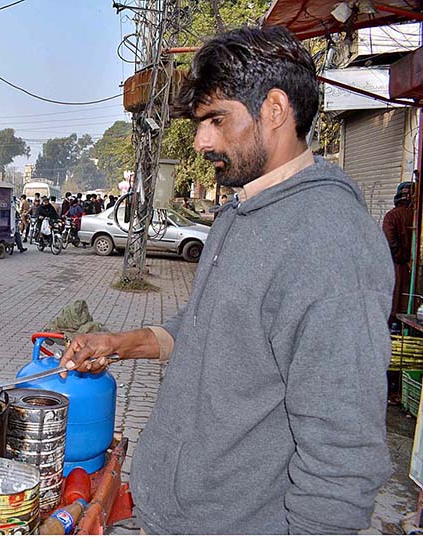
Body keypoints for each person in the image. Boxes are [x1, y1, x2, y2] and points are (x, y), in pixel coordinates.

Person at [59, 26, 392, 534]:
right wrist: (121, 342)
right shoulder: (242, 211)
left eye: (217, 119)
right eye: (199, 122)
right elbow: (207, 325)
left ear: (275, 110)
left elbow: (342, 461)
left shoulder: (330, 242)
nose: (201, 140)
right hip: (175, 513)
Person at [383, 182, 414, 326]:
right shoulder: (416, 215)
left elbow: (390, 244)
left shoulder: (391, 216)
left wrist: (403, 258)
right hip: (410, 272)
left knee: (395, 310)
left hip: (397, 271)